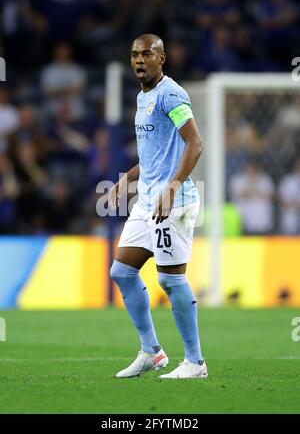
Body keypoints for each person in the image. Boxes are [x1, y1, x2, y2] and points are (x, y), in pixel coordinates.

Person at [108, 34, 207, 379]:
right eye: (134, 54)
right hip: (147, 200)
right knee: (121, 272)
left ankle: (195, 362)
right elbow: (154, 154)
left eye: (147, 54)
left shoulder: (171, 93)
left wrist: (171, 188)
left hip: (172, 202)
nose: (139, 59)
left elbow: (195, 144)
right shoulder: (142, 96)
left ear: (161, 58)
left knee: (170, 280)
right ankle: (152, 352)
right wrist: (127, 178)